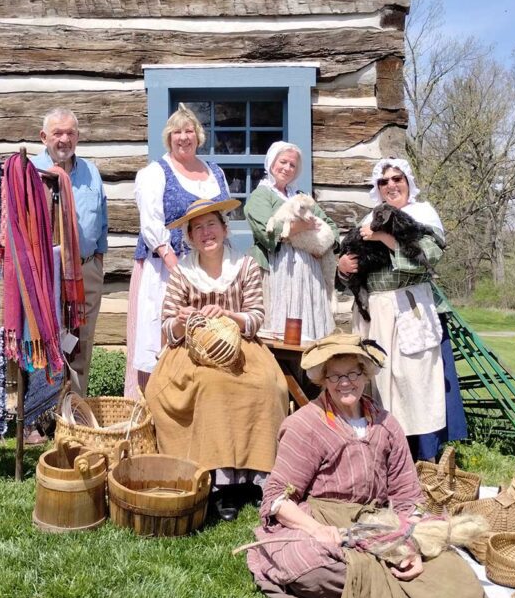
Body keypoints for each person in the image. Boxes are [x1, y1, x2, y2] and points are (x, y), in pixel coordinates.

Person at [246, 334, 494, 598]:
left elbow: (408, 497)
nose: (345, 383)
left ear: (366, 375)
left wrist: (407, 545)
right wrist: (318, 530)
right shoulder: (305, 425)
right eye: (335, 376)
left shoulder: (386, 425)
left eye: (353, 373)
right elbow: (277, 497)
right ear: (322, 380)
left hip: (377, 528)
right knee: (308, 567)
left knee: (456, 575)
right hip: (323, 523)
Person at [145, 198, 289, 521]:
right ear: (191, 238)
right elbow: (167, 326)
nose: (206, 233)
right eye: (198, 229)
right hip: (192, 352)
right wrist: (184, 321)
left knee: (267, 385)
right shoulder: (183, 271)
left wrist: (228, 315)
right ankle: (220, 486)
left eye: (212, 225)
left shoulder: (245, 265)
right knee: (211, 385)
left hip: (241, 346)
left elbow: (256, 318)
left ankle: (257, 477)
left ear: (225, 229)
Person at [335, 157, 467, 457]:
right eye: (384, 182)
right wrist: (343, 268)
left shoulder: (421, 215)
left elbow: (428, 259)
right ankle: (385, 455)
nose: (391, 185)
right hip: (375, 312)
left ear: (408, 182)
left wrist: (384, 237)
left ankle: (424, 460)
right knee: (380, 384)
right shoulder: (366, 221)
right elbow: (346, 280)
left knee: (417, 385)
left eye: (397, 179)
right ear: (377, 188)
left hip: (410, 307)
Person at [124, 104, 230, 398]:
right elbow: (151, 223)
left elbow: (222, 218)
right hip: (166, 270)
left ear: (199, 136)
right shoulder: (154, 173)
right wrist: (178, 269)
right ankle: (156, 409)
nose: (184, 137)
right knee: (163, 335)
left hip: (209, 268)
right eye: (177, 132)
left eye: (189, 131)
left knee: (207, 334)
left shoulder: (215, 172)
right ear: (168, 137)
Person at [32, 107, 107, 397]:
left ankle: (75, 410)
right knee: (43, 339)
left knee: (80, 341)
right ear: (44, 137)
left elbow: (102, 219)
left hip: (85, 271)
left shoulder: (90, 171)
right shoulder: (31, 171)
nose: (64, 139)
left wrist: (97, 258)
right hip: (45, 272)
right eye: (57, 133)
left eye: (70, 133)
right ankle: (40, 415)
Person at [244, 141, 338, 341]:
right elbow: (267, 232)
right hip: (279, 268)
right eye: (283, 162)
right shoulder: (261, 195)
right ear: (271, 163)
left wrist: (324, 246)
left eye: (292, 165)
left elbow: (330, 224)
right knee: (281, 326)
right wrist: (302, 227)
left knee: (309, 324)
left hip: (309, 270)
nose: (287, 168)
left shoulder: (300, 197)